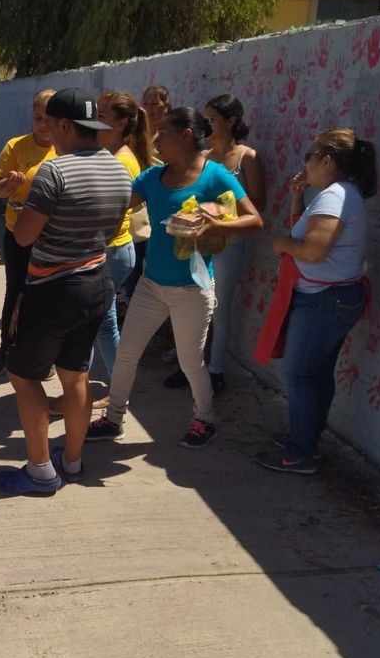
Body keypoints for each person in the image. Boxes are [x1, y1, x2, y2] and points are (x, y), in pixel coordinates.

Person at [87, 107, 263, 448]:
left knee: (190, 362)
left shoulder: (215, 176)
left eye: (164, 134)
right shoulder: (153, 177)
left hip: (192, 289)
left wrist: (216, 225)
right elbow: (119, 204)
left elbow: (254, 220)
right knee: (127, 354)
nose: (156, 142)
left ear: (185, 135)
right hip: (151, 285)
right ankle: (113, 419)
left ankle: (205, 419)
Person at [0, 88, 130, 495]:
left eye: (51, 124)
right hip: (97, 282)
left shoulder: (55, 171)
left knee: (23, 377)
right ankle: (71, 461)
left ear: (65, 126)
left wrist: (23, 208)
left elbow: (23, 236)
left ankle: (40, 471)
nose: (48, 132)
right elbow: (111, 229)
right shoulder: (118, 167)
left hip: (53, 288)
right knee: (76, 376)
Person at [255, 128, 375, 474]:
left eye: (309, 156)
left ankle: (301, 452)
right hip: (333, 297)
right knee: (316, 374)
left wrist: (281, 244)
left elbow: (312, 250)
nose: (304, 164)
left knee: (299, 375)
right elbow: (309, 236)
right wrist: (298, 200)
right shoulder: (338, 194)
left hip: (324, 300)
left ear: (327, 160)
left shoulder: (335, 195)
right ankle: (306, 438)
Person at [163, 94, 265, 395]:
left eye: (213, 119)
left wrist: (221, 211)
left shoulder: (247, 157)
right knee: (192, 305)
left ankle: (216, 370)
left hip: (229, 242)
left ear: (231, 121)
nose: (207, 125)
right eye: (205, 119)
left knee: (218, 307)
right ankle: (190, 366)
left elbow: (258, 204)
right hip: (197, 242)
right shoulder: (204, 156)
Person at [0, 89, 57, 378]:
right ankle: (6, 350)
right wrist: (10, 185)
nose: (44, 124)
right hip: (18, 234)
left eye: (50, 118)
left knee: (48, 298)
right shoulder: (16, 146)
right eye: (38, 117)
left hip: (53, 239)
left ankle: (44, 358)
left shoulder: (66, 148)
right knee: (15, 293)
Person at [90, 90, 155, 406]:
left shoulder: (121, 161)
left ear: (121, 123)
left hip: (111, 252)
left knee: (96, 324)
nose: (94, 119)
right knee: (102, 323)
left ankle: (103, 394)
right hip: (112, 251)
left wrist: (90, 245)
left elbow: (116, 218)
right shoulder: (111, 153)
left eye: (102, 114)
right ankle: (113, 392)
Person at [121, 85, 171, 305]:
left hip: (159, 208)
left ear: (166, 106)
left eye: (155, 103)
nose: (150, 108)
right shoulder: (133, 136)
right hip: (136, 210)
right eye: (146, 103)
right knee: (132, 268)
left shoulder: (169, 135)